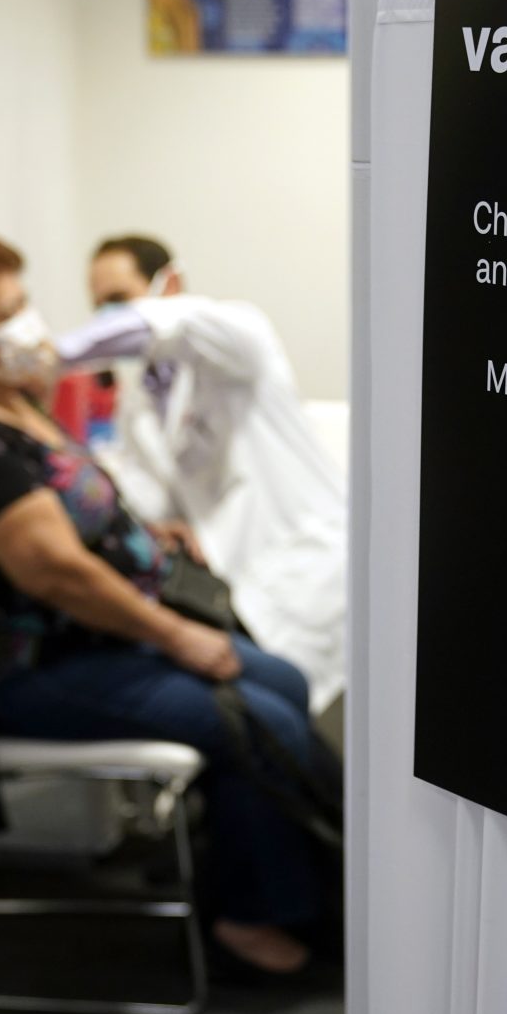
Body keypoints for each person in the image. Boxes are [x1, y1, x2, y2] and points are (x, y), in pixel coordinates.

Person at [0, 235, 317, 975]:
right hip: (40, 669)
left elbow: (76, 513)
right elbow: (58, 574)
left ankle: (266, 884)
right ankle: (258, 917)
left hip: (104, 639)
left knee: (283, 681)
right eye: (10, 311)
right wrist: (178, 636)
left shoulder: (11, 406)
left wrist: (146, 536)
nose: (33, 323)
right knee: (256, 719)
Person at [56, 236, 347, 713]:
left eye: (118, 300)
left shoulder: (237, 336)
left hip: (309, 565)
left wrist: (57, 354)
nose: (108, 319)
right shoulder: (139, 401)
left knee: (264, 706)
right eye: (98, 306)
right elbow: (151, 498)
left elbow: (176, 325)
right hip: (233, 584)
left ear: (170, 283)